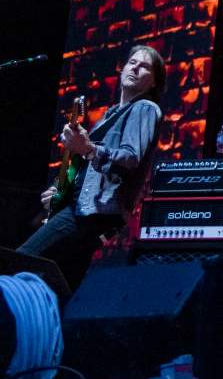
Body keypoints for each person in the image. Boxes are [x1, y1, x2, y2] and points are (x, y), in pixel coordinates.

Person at [19, 45, 164, 289]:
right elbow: (88, 172)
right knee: (60, 284)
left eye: (145, 67)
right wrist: (60, 193)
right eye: (132, 63)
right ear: (122, 69)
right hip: (84, 211)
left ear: (153, 82)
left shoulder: (144, 108)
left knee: (20, 260)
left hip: (94, 215)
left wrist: (88, 148)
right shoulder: (110, 115)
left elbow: (129, 159)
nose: (136, 68)